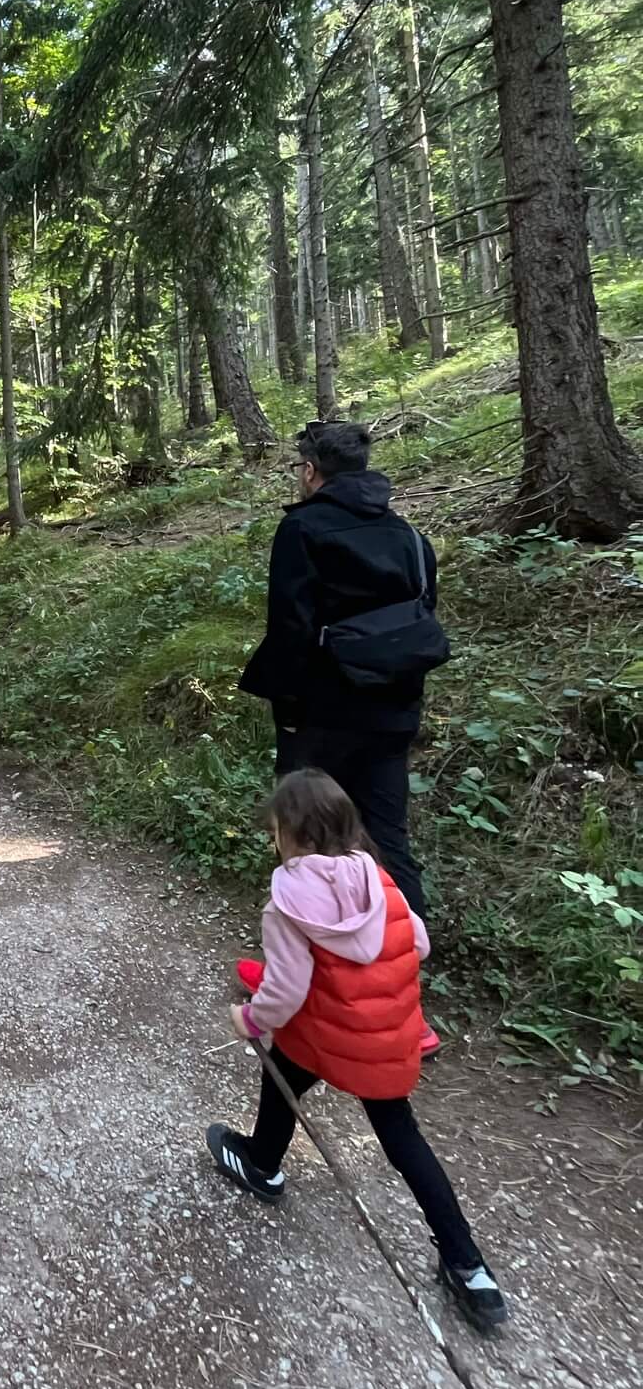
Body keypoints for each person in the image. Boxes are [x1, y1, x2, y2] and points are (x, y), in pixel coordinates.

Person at [206, 770, 507, 1332]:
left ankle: (264, 1166)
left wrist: (249, 1018)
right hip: (387, 1040)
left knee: (283, 1076)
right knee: (401, 1137)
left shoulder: (288, 899)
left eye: (275, 832)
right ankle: (470, 1269)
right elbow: (418, 942)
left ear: (288, 835)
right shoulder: (379, 878)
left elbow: (286, 990)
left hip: (323, 1034)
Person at [237, 418, 444, 1055]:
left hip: (321, 709)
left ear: (310, 470)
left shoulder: (302, 527)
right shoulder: (408, 535)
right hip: (394, 709)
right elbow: (423, 612)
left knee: (305, 841)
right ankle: (406, 1007)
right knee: (388, 837)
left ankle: (299, 981)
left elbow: (292, 626)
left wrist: (288, 703)